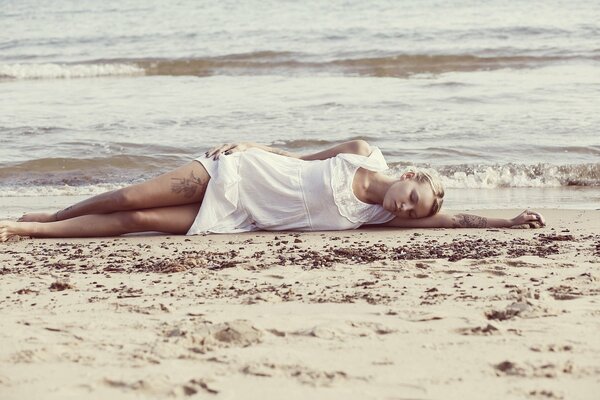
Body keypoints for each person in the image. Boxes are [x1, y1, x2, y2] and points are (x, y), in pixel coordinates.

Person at [0, 140, 545, 242]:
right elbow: (301, 159)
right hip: (242, 174)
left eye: (412, 210)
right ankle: (49, 215)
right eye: (411, 196)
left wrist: (507, 224)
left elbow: (454, 223)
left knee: (139, 224)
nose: (405, 207)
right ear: (411, 175)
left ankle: (26, 229)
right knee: (128, 198)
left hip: (245, 218)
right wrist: (250, 145)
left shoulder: (381, 220)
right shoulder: (363, 149)